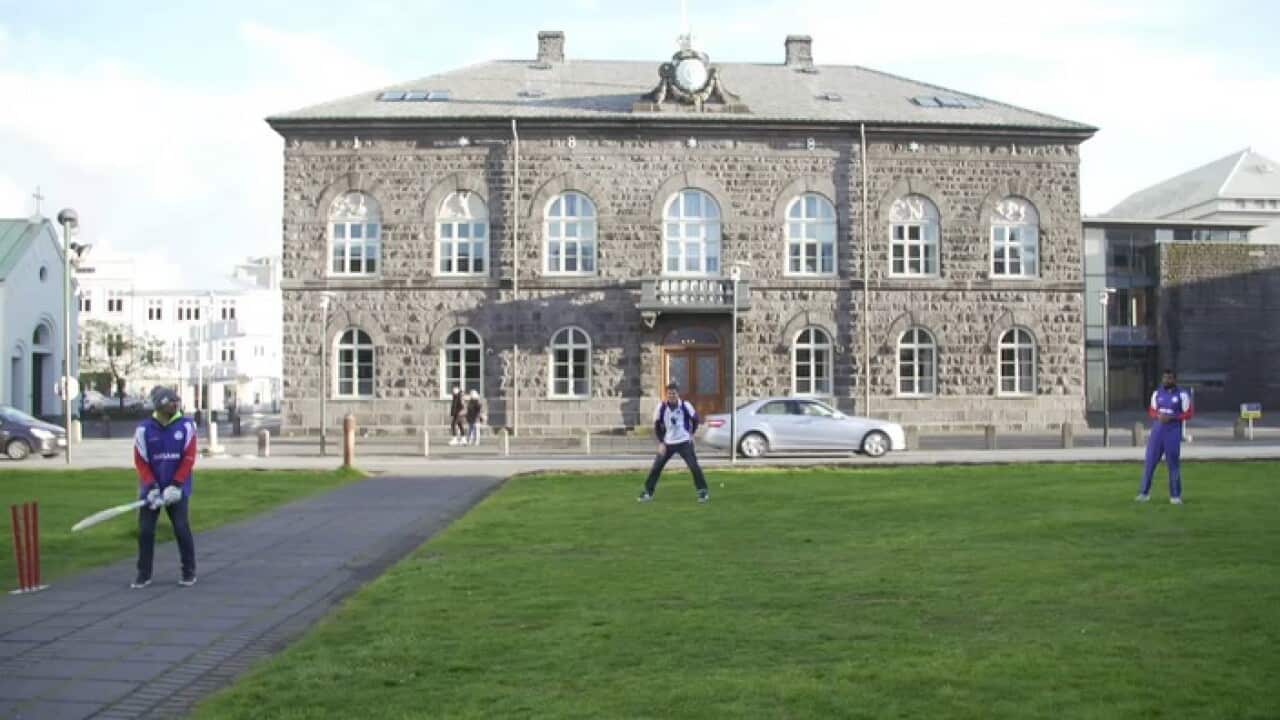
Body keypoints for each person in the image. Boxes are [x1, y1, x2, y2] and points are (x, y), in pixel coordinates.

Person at [131, 387, 198, 588]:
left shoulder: (187, 426)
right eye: (171, 402)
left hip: (177, 490)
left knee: (181, 527)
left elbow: (188, 458)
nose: (175, 405)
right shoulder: (144, 430)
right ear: (160, 405)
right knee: (145, 531)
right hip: (151, 491)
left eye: (176, 401)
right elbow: (141, 461)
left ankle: (189, 571)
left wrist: (176, 485)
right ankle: (144, 574)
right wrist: (151, 487)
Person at [638, 382, 709, 504]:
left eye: (674, 393)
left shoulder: (685, 405)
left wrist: (691, 434)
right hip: (668, 443)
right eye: (669, 394)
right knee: (656, 467)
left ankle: (702, 492)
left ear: (678, 394)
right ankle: (647, 493)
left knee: (694, 466)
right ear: (666, 395)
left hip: (684, 442)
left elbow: (696, 419)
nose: (672, 396)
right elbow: (656, 426)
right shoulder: (661, 407)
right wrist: (661, 442)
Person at [1137, 369, 1193, 505]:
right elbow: (1151, 410)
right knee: (1150, 462)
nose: (1166, 381)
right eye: (1164, 378)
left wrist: (1172, 417)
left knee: (1173, 464)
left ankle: (1175, 496)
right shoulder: (1157, 393)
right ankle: (1144, 493)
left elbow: (1189, 413)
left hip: (1173, 431)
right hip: (1158, 431)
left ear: (1174, 380)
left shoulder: (1182, 395)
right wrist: (1158, 416)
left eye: (1169, 378)